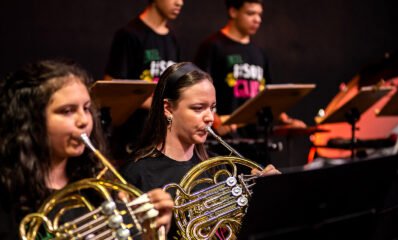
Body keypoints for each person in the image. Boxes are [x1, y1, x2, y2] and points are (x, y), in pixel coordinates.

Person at [0, 60, 173, 239]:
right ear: (29, 121)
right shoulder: (7, 197)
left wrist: (148, 232)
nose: (84, 120)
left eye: (87, 108)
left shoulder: (101, 188)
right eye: (67, 111)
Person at [120, 62, 281, 239]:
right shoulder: (137, 174)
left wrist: (266, 197)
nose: (210, 118)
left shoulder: (219, 170)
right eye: (198, 108)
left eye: (212, 108)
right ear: (168, 109)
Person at [194, 0, 306, 165]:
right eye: (250, 13)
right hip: (224, 143)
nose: (257, 19)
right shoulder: (213, 47)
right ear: (233, 12)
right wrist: (215, 120)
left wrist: (286, 120)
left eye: (259, 14)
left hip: (257, 142)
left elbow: (266, 95)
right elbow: (197, 90)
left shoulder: (259, 53)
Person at [104, 0, 184, 161]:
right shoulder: (129, 34)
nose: (179, 3)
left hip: (161, 136)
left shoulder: (172, 39)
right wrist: (159, 103)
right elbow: (112, 87)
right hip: (132, 137)